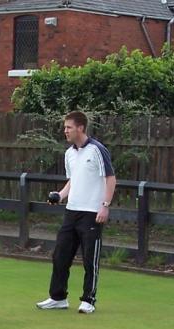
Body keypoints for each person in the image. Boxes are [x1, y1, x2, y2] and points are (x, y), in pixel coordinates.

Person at [37, 111, 116, 314]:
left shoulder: (97, 150)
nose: (65, 131)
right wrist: (60, 195)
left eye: (68, 127)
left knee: (90, 259)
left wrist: (105, 205)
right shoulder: (69, 153)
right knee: (60, 256)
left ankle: (88, 300)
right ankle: (58, 297)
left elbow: (110, 178)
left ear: (80, 127)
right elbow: (73, 181)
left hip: (92, 213)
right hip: (71, 212)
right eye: (65, 127)